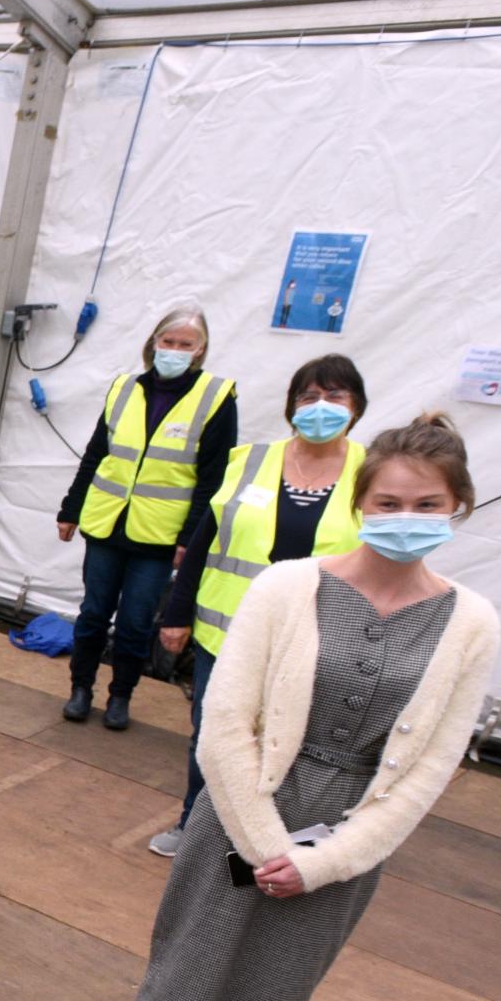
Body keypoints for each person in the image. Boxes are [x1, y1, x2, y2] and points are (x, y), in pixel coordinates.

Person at [106, 415, 496, 1001]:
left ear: (458, 506)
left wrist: (326, 862)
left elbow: (430, 770)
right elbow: (222, 724)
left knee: (272, 984)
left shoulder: (472, 623)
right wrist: (262, 845)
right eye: (388, 502)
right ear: (361, 502)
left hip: (350, 835)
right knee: (186, 961)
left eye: (427, 505)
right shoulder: (289, 585)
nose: (406, 520)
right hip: (246, 808)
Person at [148, 355, 369, 857]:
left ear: (356, 407)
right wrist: (177, 614)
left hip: (317, 641)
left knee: (287, 743)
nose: (320, 407)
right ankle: (195, 827)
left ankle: (260, 840)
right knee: (214, 737)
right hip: (226, 635)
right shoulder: (249, 460)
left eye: (335, 397)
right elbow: (205, 541)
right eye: (309, 396)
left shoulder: (370, 473)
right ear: (292, 406)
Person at [54, 302, 238, 730]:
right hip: (107, 522)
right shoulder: (124, 388)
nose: (174, 350)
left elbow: (214, 478)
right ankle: (81, 689)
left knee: (137, 621)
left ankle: (121, 696)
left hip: (159, 534)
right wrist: (71, 508)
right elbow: (96, 454)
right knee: (94, 613)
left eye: (184, 344)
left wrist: (189, 538)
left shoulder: (216, 398)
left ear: (201, 349)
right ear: (153, 343)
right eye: (167, 341)